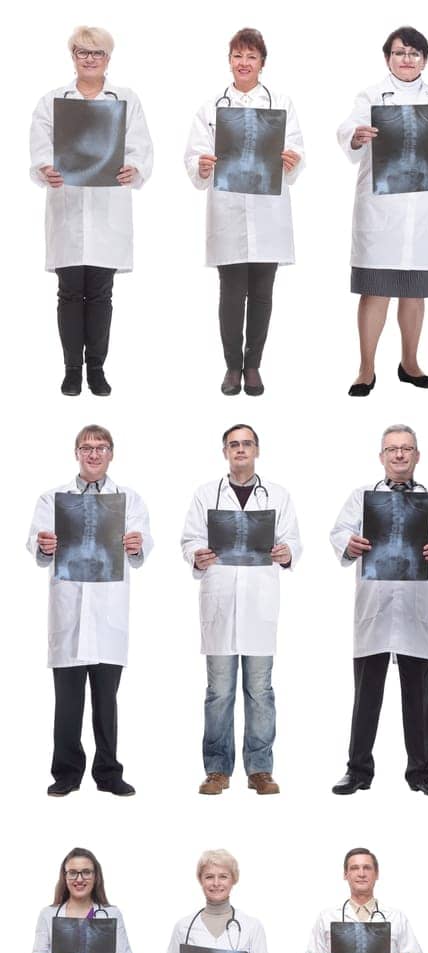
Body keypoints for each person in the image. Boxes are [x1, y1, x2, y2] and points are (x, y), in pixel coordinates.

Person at [329, 423, 428, 797]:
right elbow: (339, 532)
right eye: (392, 449)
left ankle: (422, 772)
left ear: (417, 455)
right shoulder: (362, 497)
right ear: (382, 456)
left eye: (407, 448)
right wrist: (349, 543)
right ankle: (357, 770)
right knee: (366, 697)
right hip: (375, 609)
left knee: (419, 699)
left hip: (415, 611)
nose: (400, 455)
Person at [338, 26, 428, 396]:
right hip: (382, 210)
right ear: (387, 58)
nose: (406, 59)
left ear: (425, 59)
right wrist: (357, 135)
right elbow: (348, 129)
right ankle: (365, 369)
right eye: (399, 52)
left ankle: (410, 363)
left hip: (424, 207)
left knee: (414, 292)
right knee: (375, 291)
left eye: (413, 53)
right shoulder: (370, 96)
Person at [27, 424, 150, 797]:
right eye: (86, 447)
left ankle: (109, 773)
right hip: (69, 612)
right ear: (76, 453)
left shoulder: (128, 499)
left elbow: (141, 548)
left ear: (111, 453)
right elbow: (37, 542)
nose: (93, 453)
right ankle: (66, 772)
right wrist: (44, 545)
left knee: (105, 703)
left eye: (100, 447)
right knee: (66, 703)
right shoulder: (53, 499)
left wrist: (134, 544)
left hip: (109, 613)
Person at [180, 423, 302, 797]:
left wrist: (287, 553)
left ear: (257, 450)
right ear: (225, 452)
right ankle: (217, 770)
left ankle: (260, 769)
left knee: (260, 690)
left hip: (259, 607)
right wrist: (196, 555)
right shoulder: (205, 494)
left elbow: (292, 540)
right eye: (234, 444)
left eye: (247, 443)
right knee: (218, 692)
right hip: (219, 604)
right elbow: (189, 539)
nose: (240, 450)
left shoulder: (277, 495)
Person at [30, 26, 153, 396]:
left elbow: (140, 147)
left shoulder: (125, 99)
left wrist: (135, 168)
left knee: (101, 294)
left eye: (96, 53)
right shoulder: (53, 100)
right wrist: (44, 169)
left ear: (107, 59)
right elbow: (39, 148)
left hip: (107, 211)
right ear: (72, 56)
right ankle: (71, 370)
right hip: (67, 208)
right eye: (82, 52)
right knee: (68, 293)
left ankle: (96, 370)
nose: (89, 58)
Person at [183, 27, 305, 396]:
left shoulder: (280, 104)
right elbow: (194, 154)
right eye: (238, 56)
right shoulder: (212, 108)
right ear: (229, 61)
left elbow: (296, 148)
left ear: (262, 63)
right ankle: (232, 366)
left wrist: (291, 159)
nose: (244, 63)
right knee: (232, 293)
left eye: (251, 57)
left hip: (268, 211)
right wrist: (201, 166)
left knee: (263, 293)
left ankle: (254, 365)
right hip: (228, 210)